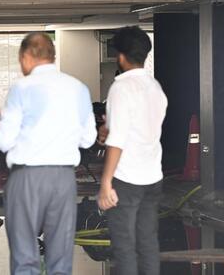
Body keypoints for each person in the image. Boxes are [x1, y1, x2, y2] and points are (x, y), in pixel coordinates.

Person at [0, 32, 97, 275]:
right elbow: (88, 138)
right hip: (63, 178)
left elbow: (4, 141)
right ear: (52, 55)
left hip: (27, 177)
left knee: (25, 256)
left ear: (27, 57)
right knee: (60, 256)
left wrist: (4, 131)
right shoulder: (78, 88)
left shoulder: (22, 88)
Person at [96, 26, 167, 275]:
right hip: (152, 178)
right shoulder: (155, 88)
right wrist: (108, 127)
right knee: (147, 242)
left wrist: (106, 182)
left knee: (124, 247)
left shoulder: (121, 88)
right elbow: (140, 127)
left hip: (127, 180)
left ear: (121, 56)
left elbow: (118, 139)